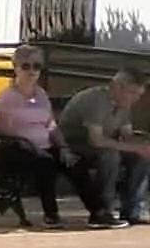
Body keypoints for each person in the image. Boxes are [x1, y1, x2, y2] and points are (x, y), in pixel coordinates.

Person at [60, 59, 150, 226]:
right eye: (132, 93)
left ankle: (131, 210)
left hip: (101, 144)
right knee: (110, 156)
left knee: (141, 158)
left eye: (139, 94)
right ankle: (103, 211)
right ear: (118, 86)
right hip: (74, 145)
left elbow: (127, 135)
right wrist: (133, 146)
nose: (136, 99)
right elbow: (96, 140)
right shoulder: (96, 100)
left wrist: (142, 146)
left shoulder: (124, 104)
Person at [0, 46, 69, 224]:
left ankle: (99, 211)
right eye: (26, 66)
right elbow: (3, 131)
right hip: (14, 149)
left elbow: (51, 124)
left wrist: (64, 147)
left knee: (75, 162)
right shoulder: (6, 97)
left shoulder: (41, 95)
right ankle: (51, 215)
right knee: (45, 163)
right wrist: (31, 146)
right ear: (15, 67)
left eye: (37, 66)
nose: (32, 71)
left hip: (44, 147)